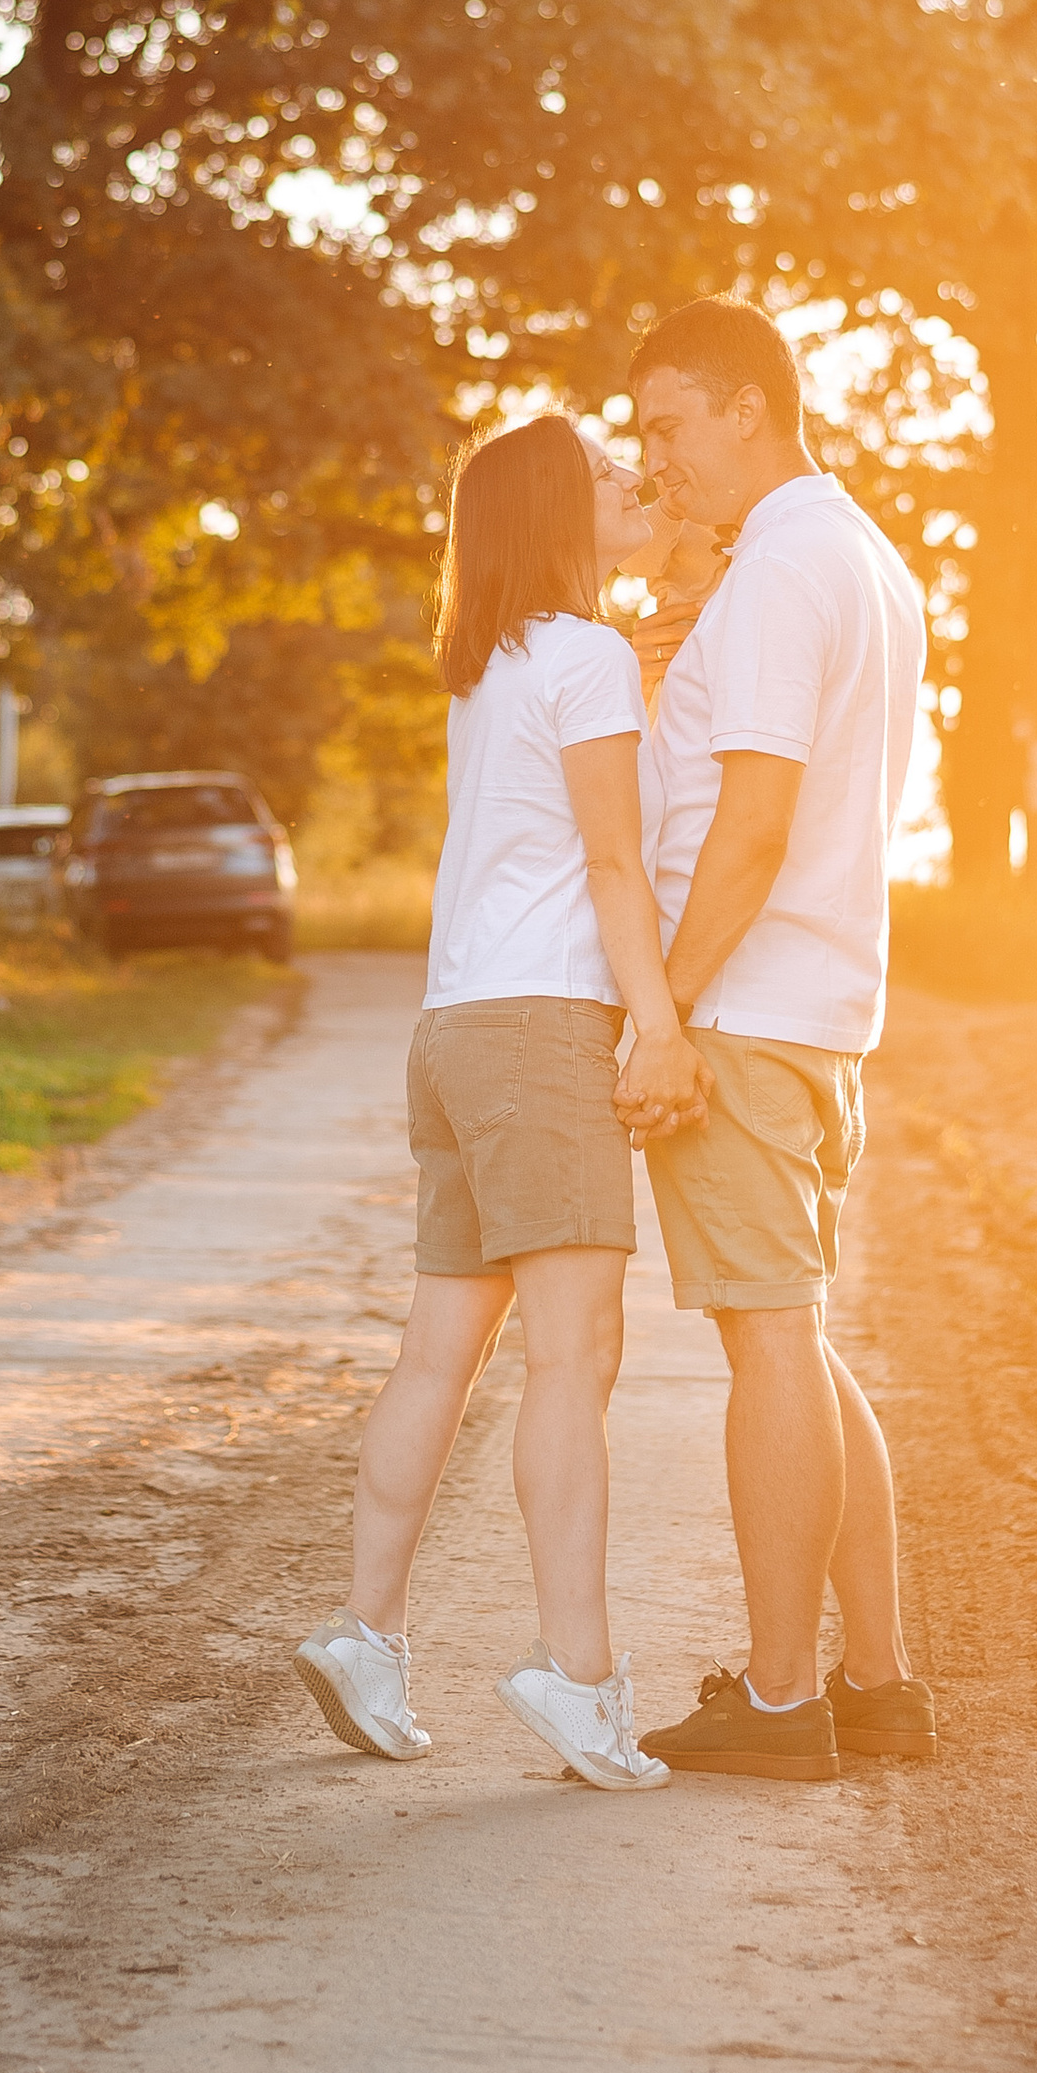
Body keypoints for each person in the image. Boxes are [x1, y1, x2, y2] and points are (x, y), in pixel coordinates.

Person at [294, 412, 707, 1789]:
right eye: (604, 467)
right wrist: (655, 1018)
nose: (634, 477)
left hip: (454, 1023)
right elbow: (609, 862)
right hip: (541, 1031)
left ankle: (368, 1634)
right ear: (552, 509)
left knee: (441, 1354)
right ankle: (580, 1678)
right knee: (575, 1357)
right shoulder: (582, 658)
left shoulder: (503, 659)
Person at [619, 297, 939, 1781]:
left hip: (744, 1010)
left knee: (768, 1345)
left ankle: (779, 1694)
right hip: (815, 1008)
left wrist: (662, 1011)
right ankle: (873, 1684)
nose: (653, 457)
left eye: (669, 423)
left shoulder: (779, 577)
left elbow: (748, 830)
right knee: (798, 1337)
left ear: (750, 407)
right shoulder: (858, 556)